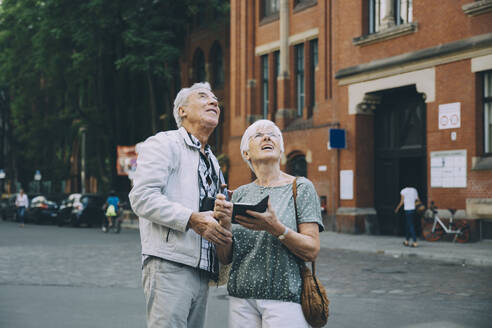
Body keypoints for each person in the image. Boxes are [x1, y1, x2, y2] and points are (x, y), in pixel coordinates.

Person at [129, 82, 232, 328]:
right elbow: (141, 196)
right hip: (170, 265)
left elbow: (214, 217)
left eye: (215, 99)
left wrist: (225, 217)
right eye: (203, 97)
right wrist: (192, 219)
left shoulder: (213, 162)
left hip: (203, 271)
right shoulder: (163, 143)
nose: (214, 102)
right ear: (182, 111)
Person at [214, 119, 324, 328]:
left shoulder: (300, 187)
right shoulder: (239, 194)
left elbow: (312, 250)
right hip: (241, 298)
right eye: (258, 135)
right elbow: (225, 257)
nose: (266, 137)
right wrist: (224, 225)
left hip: (284, 298)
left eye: (272, 134)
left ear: (281, 150)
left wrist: (277, 228)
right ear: (246, 154)